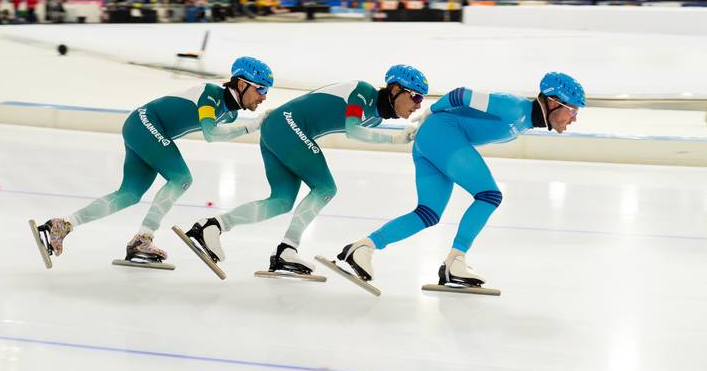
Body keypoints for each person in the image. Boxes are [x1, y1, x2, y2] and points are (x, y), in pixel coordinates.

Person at [334, 72, 586, 288]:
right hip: (440, 134)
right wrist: (430, 111)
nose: (574, 117)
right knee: (489, 195)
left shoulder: (524, 121)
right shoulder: (514, 107)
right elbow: (461, 94)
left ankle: (363, 247)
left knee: (427, 214)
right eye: (572, 110)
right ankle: (456, 261)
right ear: (553, 103)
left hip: (434, 140)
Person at [177, 65, 429, 276]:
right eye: (416, 97)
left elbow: (350, 126)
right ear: (395, 90)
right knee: (326, 188)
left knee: (281, 201)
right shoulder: (363, 92)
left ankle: (212, 226)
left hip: (280, 130)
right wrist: (396, 140)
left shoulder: (375, 116)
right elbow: (353, 130)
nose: (418, 105)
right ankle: (287, 248)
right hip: (287, 127)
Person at [30, 57, 274, 269]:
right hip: (145, 123)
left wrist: (253, 125)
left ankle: (62, 225)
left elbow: (217, 132)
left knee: (129, 194)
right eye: (261, 89)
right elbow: (211, 134)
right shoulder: (211, 94)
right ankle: (144, 238)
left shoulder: (230, 113)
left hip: (144, 128)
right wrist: (255, 125)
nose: (264, 97)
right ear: (242, 84)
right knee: (181, 178)